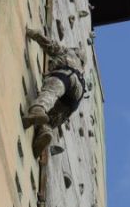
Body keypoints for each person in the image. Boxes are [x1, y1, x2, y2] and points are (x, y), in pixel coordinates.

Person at [23, 26, 88, 154]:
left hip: (66, 76)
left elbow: (50, 45)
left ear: (76, 51)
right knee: (52, 119)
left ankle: (38, 109)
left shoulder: (69, 53)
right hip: (76, 96)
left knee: (50, 93)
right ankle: (45, 131)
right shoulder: (82, 72)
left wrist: (34, 34)